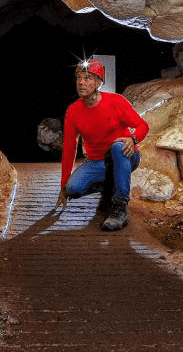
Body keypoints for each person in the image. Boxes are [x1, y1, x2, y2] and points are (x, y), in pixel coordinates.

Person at [57, 58, 150, 230]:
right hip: (95, 162)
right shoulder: (73, 111)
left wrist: (133, 139)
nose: (81, 82)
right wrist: (63, 185)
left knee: (117, 146)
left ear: (99, 82)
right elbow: (69, 148)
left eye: (88, 78)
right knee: (73, 189)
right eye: (79, 78)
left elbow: (142, 125)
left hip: (125, 156)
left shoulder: (116, 102)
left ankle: (119, 209)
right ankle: (111, 185)